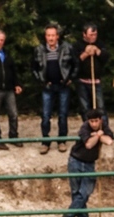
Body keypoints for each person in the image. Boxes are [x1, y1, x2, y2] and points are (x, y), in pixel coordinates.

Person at [59, 109, 113, 217]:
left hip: (90, 163)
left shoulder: (104, 126)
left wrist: (98, 136)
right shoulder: (84, 127)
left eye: (96, 121)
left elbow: (109, 141)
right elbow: (88, 144)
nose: (93, 124)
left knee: (84, 193)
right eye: (91, 121)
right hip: (75, 161)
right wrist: (99, 135)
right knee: (76, 192)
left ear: (101, 120)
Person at [32, 23, 78, 154]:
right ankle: (45, 142)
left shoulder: (67, 47)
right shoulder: (39, 49)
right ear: (45, 36)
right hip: (47, 87)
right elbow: (34, 68)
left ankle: (62, 140)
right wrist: (41, 81)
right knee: (46, 116)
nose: (50, 38)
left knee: (63, 115)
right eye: (48, 35)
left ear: (57, 36)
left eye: (53, 35)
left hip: (63, 86)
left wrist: (71, 78)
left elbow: (75, 65)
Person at [74, 23, 108, 123]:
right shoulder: (77, 45)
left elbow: (106, 57)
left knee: (101, 108)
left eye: (95, 35)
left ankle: (104, 130)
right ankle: (88, 130)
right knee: (85, 108)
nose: (94, 37)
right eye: (91, 35)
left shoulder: (100, 44)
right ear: (84, 34)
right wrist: (85, 53)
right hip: (82, 81)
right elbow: (74, 61)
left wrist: (98, 51)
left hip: (96, 81)